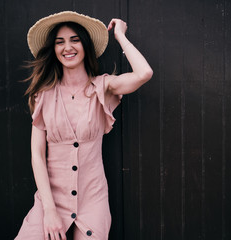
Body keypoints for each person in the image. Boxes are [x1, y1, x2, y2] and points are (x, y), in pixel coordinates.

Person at [15, 11, 152, 240]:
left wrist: (120, 35)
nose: (67, 47)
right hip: (50, 200)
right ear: (54, 50)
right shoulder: (44, 95)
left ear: (85, 45)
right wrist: (49, 210)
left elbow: (144, 73)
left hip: (92, 198)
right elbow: (37, 155)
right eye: (60, 42)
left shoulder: (103, 87)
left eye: (74, 40)